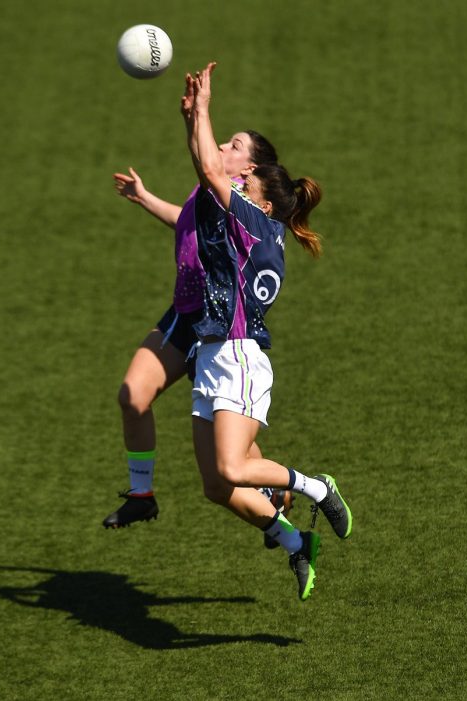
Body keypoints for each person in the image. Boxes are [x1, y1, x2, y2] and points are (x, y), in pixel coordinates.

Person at [182, 62, 353, 601]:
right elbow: (207, 169)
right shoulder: (251, 221)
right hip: (212, 355)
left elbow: (211, 171)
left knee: (234, 466)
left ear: (259, 196)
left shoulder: (258, 224)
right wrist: (193, 121)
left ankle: (317, 487)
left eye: (245, 173)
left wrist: (205, 109)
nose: (234, 174)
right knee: (217, 485)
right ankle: (294, 540)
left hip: (238, 357)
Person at [102, 102, 281, 530]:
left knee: (229, 456)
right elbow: (186, 222)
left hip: (217, 324)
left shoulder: (234, 198)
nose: (222, 146)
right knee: (132, 396)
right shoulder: (211, 190)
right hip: (185, 316)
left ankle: (279, 496)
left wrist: (200, 111)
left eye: (233, 144)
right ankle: (142, 495)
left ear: (249, 166)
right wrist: (146, 198)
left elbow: (206, 165)